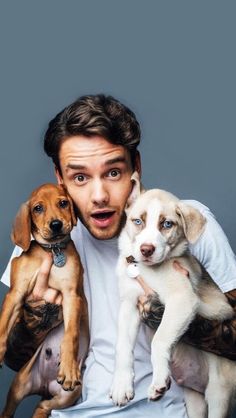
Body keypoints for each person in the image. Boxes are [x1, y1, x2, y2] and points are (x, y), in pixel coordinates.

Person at [1, 94, 236, 417]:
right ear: (60, 178)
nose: (99, 196)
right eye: (80, 177)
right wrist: (38, 315)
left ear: (135, 168)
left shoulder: (188, 223)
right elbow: (14, 359)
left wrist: (169, 311)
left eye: (113, 172)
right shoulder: (40, 238)